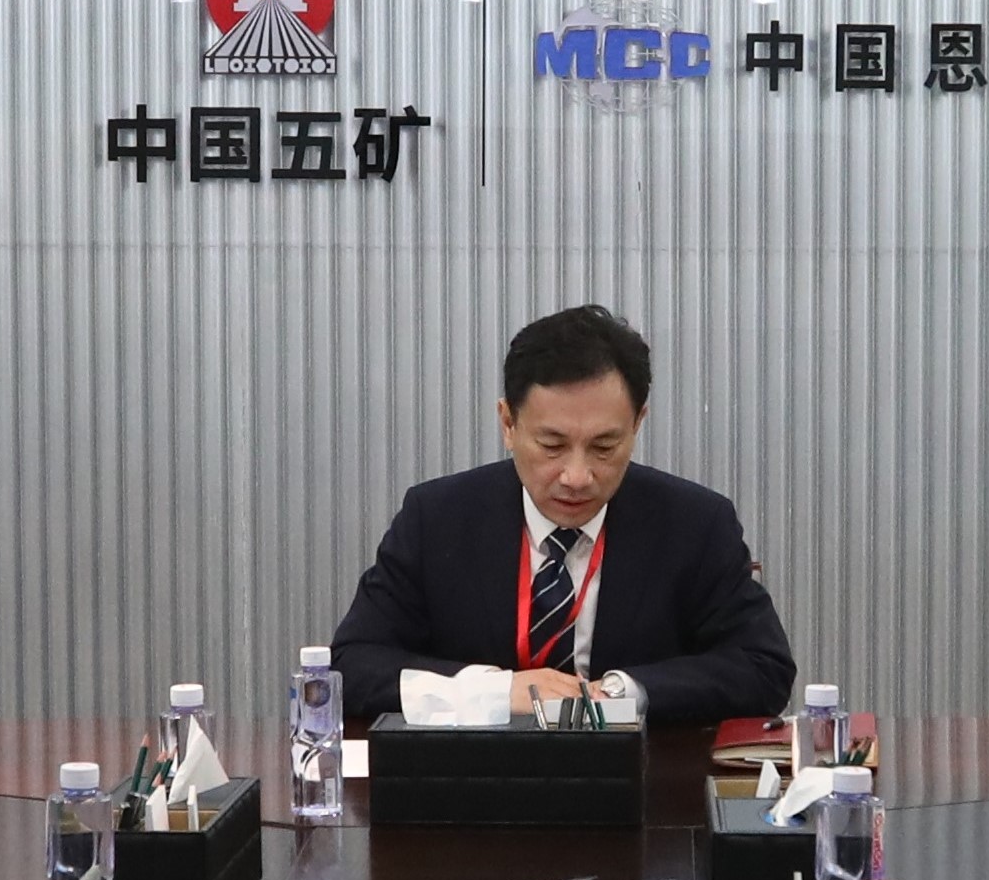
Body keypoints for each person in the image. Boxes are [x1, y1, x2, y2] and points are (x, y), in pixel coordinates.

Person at [330, 302, 796, 725]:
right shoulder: (438, 519)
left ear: (637, 423)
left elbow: (763, 667)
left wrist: (624, 693)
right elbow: (350, 666)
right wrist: (495, 692)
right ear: (508, 423)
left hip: (640, 780)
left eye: (604, 447)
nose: (577, 476)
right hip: (474, 779)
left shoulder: (695, 524)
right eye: (552, 446)